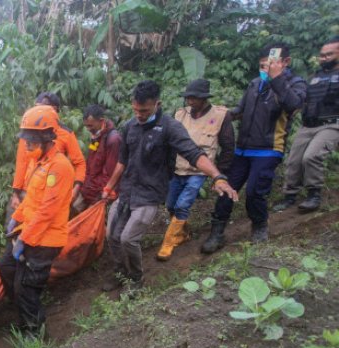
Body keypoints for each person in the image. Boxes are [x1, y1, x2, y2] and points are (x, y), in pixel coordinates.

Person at [100, 80, 238, 293]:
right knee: (112, 236)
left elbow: (194, 153)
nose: (139, 114)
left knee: (128, 238)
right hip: (127, 190)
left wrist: (217, 176)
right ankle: (121, 273)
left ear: (157, 104)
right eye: (135, 109)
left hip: (149, 193)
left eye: (144, 110)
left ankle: (136, 280)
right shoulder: (129, 126)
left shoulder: (170, 127)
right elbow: (122, 161)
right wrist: (109, 186)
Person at [201, 42, 307, 254]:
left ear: (285, 62)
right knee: (225, 188)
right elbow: (240, 110)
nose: (265, 70)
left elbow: (293, 105)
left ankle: (259, 226)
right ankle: (217, 232)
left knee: (254, 192)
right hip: (243, 149)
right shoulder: (254, 83)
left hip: (268, 149)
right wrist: (220, 114)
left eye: (269, 65)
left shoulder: (295, 84)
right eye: (262, 65)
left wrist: (277, 79)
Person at [0, 105, 75, 337]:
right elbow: (31, 200)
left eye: (31, 141)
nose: (27, 146)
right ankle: (24, 314)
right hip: (30, 230)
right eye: (26, 141)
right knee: (6, 268)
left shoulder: (59, 167)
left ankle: (36, 335)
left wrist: (24, 239)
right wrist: (15, 219)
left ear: (46, 138)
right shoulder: (38, 162)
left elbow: (47, 212)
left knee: (27, 286)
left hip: (46, 239)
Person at [156, 79, 235, 261]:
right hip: (178, 168)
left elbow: (228, 147)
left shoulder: (220, 116)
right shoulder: (180, 115)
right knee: (171, 205)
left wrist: (219, 175)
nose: (190, 101)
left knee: (183, 205)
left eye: (194, 98)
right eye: (188, 98)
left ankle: (168, 242)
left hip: (199, 171)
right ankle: (183, 234)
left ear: (204, 99)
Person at [274, 36, 339, 213]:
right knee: (293, 160)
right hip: (308, 124)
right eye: (322, 55)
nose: (323, 58)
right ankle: (290, 195)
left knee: (311, 156)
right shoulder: (315, 77)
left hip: (332, 125)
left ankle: (314, 195)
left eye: (329, 54)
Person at [10, 92, 86, 214]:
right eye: (36, 107)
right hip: (26, 190)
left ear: (54, 110)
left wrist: (76, 189)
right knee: (13, 226)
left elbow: (79, 163)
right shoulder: (28, 130)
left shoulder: (66, 134)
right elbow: (22, 161)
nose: (37, 112)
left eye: (41, 108)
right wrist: (15, 192)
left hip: (49, 194)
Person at [74, 104, 121, 212]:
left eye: (90, 126)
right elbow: (91, 164)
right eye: (86, 126)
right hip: (88, 189)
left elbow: (109, 174)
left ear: (101, 121)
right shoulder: (96, 136)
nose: (88, 129)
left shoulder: (113, 140)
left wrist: (98, 196)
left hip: (98, 193)